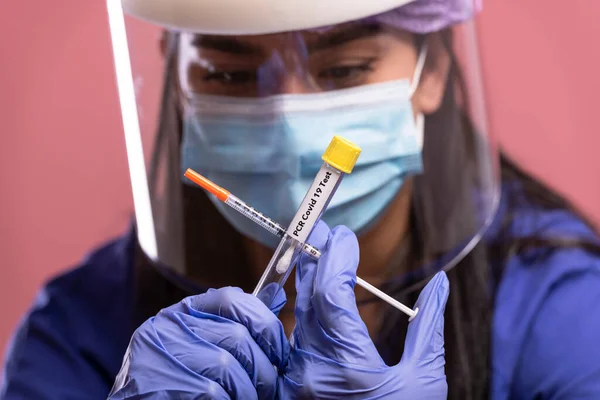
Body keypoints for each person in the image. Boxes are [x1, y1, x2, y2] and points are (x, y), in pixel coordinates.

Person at [2, 0, 600, 398]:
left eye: (344, 71)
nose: (286, 121)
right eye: (231, 75)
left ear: (434, 70)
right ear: (177, 82)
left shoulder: (564, 319)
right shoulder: (78, 333)